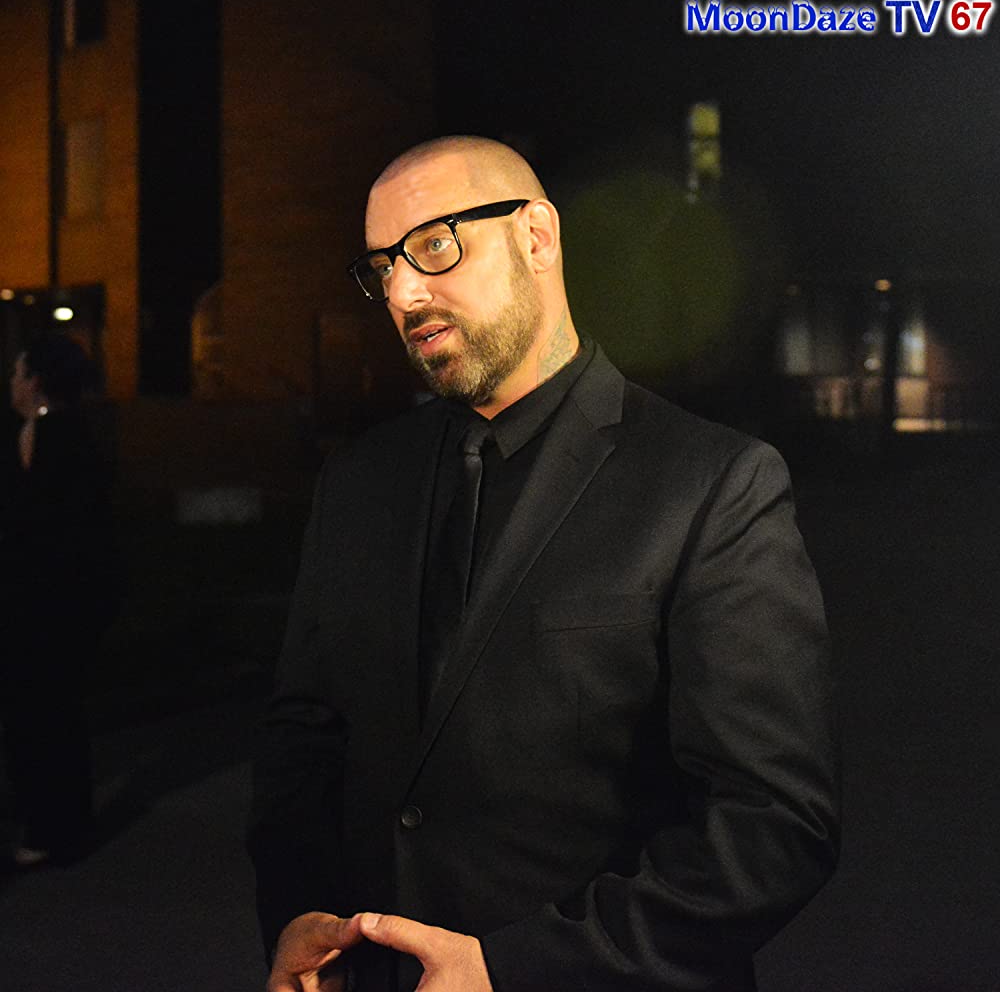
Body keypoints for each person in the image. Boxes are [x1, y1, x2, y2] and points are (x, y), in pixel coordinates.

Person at [248, 136, 839, 992]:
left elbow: (773, 823)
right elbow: (305, 733)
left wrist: (515, 969)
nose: (404, 292)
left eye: (435, 244)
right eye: (382, 267)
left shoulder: (711, 483)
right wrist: (299, 910)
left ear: (536, 236)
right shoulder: (359, 479)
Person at [1, 333, 114, 867]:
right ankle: (65, 825)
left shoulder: (42, 434)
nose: (12, 382)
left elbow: (31, 524)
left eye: (18, 372)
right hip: (71, 598)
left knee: (36, 716)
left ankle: (48, 829)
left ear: (36, 382)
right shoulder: (79, 432)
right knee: (60, 714)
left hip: (39, 601)